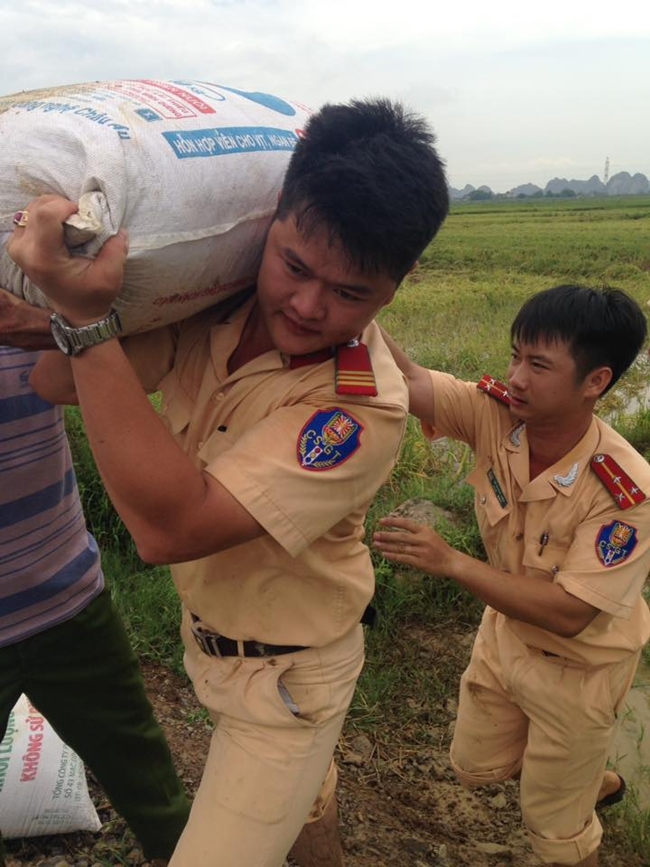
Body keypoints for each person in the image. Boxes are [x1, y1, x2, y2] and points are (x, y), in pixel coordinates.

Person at [6, 97, 450, 867]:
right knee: (304, 812)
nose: (308, 307)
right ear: (270, 220)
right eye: (296, 266)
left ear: (402, 281)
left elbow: (170, 529)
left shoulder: (360, 406)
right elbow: (57, 382)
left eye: (351, 293)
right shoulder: (213, 307)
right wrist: (69, 318)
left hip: (286, 686)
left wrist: (85, 325)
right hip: (209, 648)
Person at [373, 284, 650, 867]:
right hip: (505, 636)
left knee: (556, 835)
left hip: (578, 671)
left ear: (595, 382)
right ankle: (589, 778)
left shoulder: (627, 490)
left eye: (539, 364)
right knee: (474, 765)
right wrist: (360, 306)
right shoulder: (498, 414)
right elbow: (411, 380)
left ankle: (574, 796)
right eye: (515, 355)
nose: (516, 376)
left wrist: (451, 562)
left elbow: (572, 613)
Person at [0, 302, 192, 867]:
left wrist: (50, 325)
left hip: (70, 602)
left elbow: (133, 335)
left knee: (151, 786)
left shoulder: (19, 290)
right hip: (64, 597)